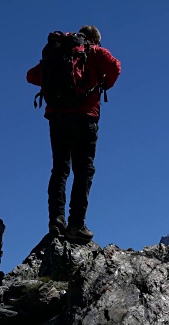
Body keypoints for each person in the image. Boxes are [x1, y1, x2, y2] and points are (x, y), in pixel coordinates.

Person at [27, 25, 121, 243]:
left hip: (57, 118)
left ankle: (56, 221)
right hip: (85, 117)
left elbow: (31, 76)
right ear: (95, 40)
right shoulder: (96, 52)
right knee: (83, 170)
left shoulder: (58, 53)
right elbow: (116, 67)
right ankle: (76, 224)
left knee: (60, 168)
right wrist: (105, 83)